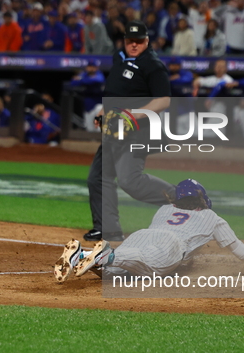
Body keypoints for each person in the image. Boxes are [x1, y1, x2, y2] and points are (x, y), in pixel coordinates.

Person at [54, 179, 244, 282]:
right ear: (200, 197)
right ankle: (107, 254)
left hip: (141, 236)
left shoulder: (164, 209)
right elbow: (239, 249)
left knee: (115, 275)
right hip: (170, 245)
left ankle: (82, 255)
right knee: (149, 267)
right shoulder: (212, 217)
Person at [85, 20, 176, 242]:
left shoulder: (153, 65)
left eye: (138, 41)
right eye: (129, 41)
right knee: (97, 178)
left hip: (136, 131)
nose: (133, 45)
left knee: (130, 181)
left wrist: (131, 115)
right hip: (113, 130)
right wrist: (104, 114)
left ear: (146, 41)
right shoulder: (120, 57)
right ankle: (108, 229)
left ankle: (180, 199)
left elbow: (163, 100)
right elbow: (114, 90)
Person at [70, 60, 106, 132]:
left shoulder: (99, 74)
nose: (92, 68)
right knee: (89, 130)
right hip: (87, 106)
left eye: (94, 66)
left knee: (99, 129)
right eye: (90, 66)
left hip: (98, 105)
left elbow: (98, 80)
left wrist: (82, 80)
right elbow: (73, 82)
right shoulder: (84, 74)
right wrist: (85, 80)